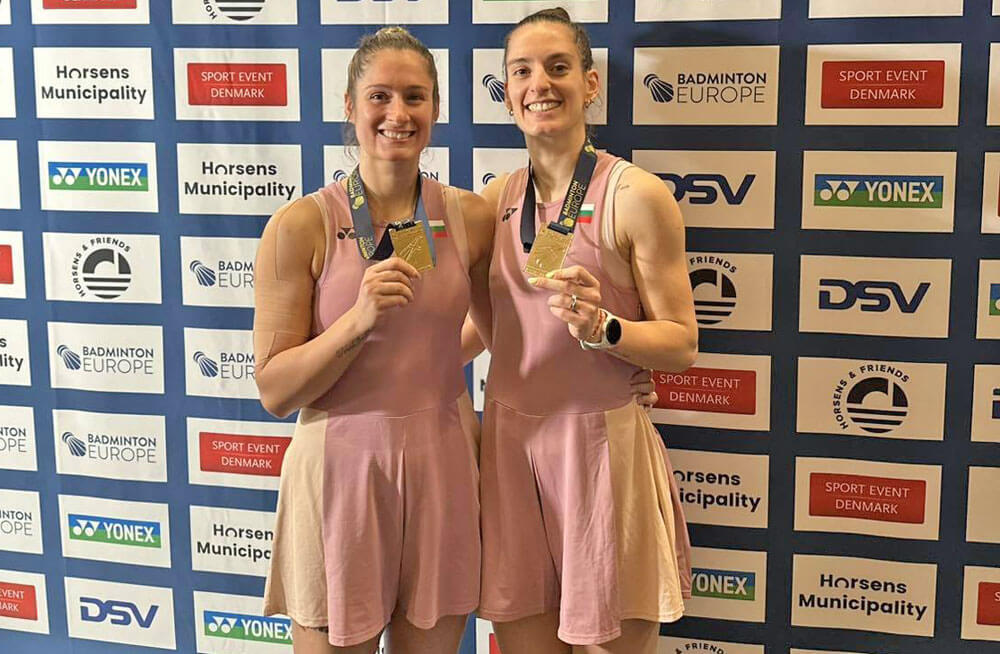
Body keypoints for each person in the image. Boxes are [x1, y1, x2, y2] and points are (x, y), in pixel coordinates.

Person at [253, 27, 493, 654]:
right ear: (350, 106)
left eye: (414, 97)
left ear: (435, 108)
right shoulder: (301, 224)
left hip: (442, 459)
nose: (398, 114)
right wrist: (356, 323)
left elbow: (515, 323)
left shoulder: (469, 215)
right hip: (340, 467)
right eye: (379, 96)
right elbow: (275, 391)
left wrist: (612, 365)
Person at [472, 8, 699, 654]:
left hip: (601, 452)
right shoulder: (491, 202)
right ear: (507, 91)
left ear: (590, 84)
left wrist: (606, 329)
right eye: (522, 71)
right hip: (511, 447)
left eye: (557, 67)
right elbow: (473, 327)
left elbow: (681, 342)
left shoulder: (635, 195)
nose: (539, 84)